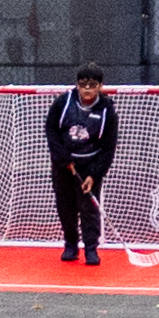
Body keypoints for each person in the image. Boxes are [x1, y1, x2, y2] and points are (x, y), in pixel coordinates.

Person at [46, 64, 115, 266]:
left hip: (91, 163)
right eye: (83, 84)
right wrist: (63, 159)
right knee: (65, 205)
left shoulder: (107, 110)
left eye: (92, 85)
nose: (87, 89)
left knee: (89, 207)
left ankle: (91, 248)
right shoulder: (63, 102)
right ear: (77, 85)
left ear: (100, 86)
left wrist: (94, 174)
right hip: (64, 163)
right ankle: (70, 244)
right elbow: (52, 130)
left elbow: (108, 146)